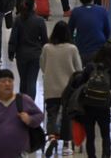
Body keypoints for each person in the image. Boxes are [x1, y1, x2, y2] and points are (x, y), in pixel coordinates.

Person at [40, 21, 82, 156]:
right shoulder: (72, 49)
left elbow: (42, 66)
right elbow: (79, 69)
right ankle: (66, 144)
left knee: (52, 114)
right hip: (68, 89)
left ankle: (52, 137)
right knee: (66, 116)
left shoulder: (47, 48)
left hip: (51, 87)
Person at [78, 42, 111, 158]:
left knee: (90, 136)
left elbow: (81, 83)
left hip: (88, 105)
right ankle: (106, 155)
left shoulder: (90, 67)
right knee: (105, 135)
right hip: (104, 106)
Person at [7, 0, 48, 99]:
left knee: (23, 80)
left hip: (21, 55)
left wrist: (11, 52)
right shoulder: (39, 20)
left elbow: (13, 38)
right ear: (33, 6)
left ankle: (22, 104)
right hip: (35, 55)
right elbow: (44, 40)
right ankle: (30, 105)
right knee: (32, 81)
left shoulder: (18, 20)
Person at [69, 0, 111, 65]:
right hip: (99, 51)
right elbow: (108, 31)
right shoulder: (102, 10)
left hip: (82, 50)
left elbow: (69, 32)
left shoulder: (76, 12)